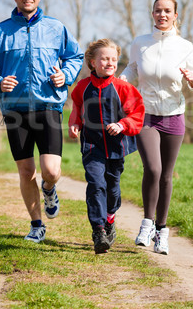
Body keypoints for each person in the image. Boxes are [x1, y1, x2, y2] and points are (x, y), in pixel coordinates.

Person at [0, 0, 84, 243]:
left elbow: (75, 56)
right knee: (26, 172)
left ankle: (49, 188)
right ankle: (37, 225)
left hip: (48, 105)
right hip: (15, 110)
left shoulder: (55, 28)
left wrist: (66, 76)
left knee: (50, 170)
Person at [119, 0, 193, 255]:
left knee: (167, 175)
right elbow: (132, 70)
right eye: (158, 11)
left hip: (174, 116)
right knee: (152, 169)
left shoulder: (185, 46)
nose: (162, 15)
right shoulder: (140, 43)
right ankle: (147, 223)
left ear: (176, 15)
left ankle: (162, 232)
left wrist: (192, 80)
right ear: (152, 14)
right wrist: (119, 81)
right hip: (145, 115)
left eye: (167, 11)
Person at [68, 39, 145, 254]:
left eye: (113, 59)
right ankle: (98, 230)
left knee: (112, 187)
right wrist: (74, 124)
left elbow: (137, 113)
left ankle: (110, 217)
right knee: (95, 184)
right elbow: (76, 107)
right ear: (93, 62)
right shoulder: (83, 87)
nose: (110, 62)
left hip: (116, 147)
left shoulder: (123, 87)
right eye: (104, 59)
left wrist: (122, 125)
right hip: (92, 146)